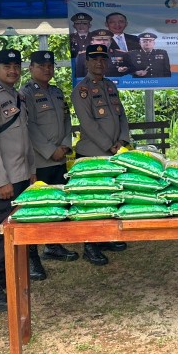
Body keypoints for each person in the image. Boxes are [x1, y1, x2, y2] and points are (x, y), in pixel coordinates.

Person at [0, 48, 39, 314]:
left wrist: (32, 170)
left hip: (22, 174)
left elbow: (24, 138)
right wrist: (1, 180)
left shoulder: (18, 95)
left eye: (16, 66)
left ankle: (6, 280)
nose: (12, 70)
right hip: (4, 180)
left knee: (16, 229)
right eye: (6, 66)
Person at [72, 43, 131, 265]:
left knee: (108, 197)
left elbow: (122, 116)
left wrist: (123, 140)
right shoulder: (81, 90)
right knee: (91, 200)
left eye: (102, 59)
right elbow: (87, 124)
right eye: (94, 59)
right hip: (93, 155)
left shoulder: (109, 86)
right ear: (86, 62)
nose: (99, 63)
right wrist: (110, 145)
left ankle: (105, 238)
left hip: (114, 152)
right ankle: (90, 245)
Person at [21, 50, 79, 264]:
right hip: (40, 160)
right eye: (41, 66)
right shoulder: (25, 93)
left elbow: (66, 120)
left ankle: (53, 245)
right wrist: (49, 150)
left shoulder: (57, 92)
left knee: (56, 203)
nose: (47, 69)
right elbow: (29, 126)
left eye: (50, 66)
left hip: (60, 157)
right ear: (31, 68)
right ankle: (31, 256)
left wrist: (64, 145)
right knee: (37, 207)